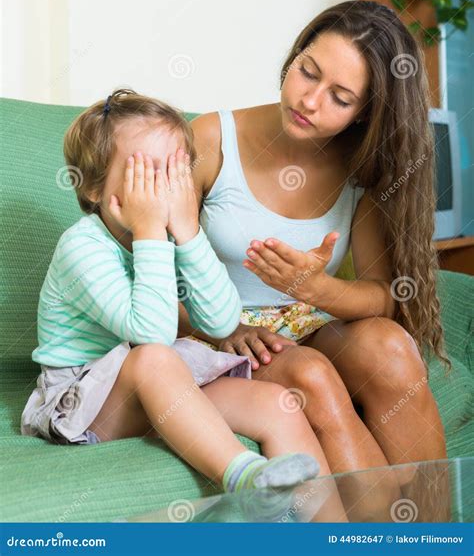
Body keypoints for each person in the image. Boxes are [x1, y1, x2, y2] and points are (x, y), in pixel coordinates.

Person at [20, 89, 338, 500]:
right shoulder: (81, 247)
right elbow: (152, 335)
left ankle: (334, 536)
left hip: (155, 383)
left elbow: (222, 322)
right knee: (154, 357)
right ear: (96, 188)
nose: (165, 191)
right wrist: (152, 232)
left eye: (177, 173)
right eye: (148, 175)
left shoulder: (169, 239)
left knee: (279, 404)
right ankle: (243, 478)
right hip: (79, 402)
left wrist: (189, 233)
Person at [180, 0, 448, 479]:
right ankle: (386, 537)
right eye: (308, 72)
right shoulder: (210, 139)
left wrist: (314, 287)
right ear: (295, 56)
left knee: (389, 347)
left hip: (309, 321)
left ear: (366, 114)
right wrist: (219, 326)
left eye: (340, 98)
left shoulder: (360, 168)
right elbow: (148, 267)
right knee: (311, 374)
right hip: (219, 333)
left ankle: (436, 530)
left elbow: (383, 297)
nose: (309, 100)